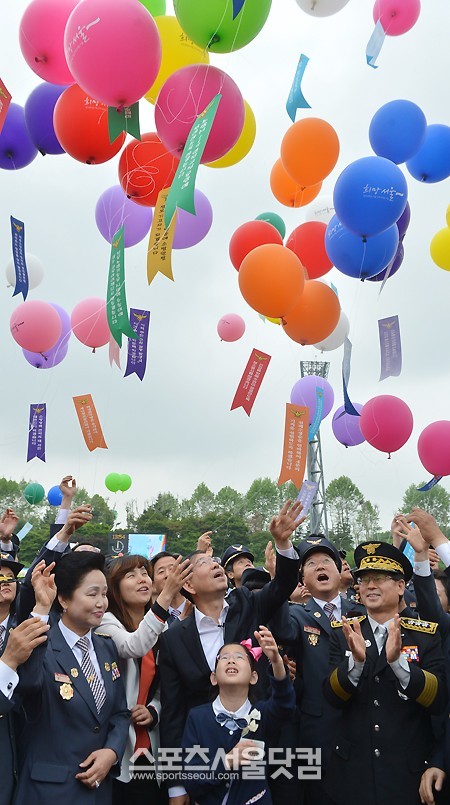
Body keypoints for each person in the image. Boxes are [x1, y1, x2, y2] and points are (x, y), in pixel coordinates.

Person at [159, 499, 303, 805]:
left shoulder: (248, 603)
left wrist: (283, 543)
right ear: (189, 586)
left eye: (215, 562)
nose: (215, 565)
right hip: (207, 766)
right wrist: (176, 786)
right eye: (204, 564)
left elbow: (283, 584)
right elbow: (173, 714)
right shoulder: (173, 640)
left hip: (265, 749)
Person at [323, 541, 447, 805]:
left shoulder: (424, 635)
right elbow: (331, 697)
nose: (370, 586)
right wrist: (356, 664)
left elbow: (438, 700)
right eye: (364, 579)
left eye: (379, 578)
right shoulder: (344, 633)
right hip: (353, 774)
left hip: (406, 773)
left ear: (401, 586)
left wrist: (398, 664)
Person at [14, 552, 129, 804]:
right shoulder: (41, 646)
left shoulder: (106, 646)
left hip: (98, 789)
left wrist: (112, 751)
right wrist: (41, 608)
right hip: (49, 792)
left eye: (104, 594)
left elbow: (120, 712)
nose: (101, 603)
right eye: (92, 594)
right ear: (64, 599)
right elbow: (28, 684)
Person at [277, 535, 364, 805]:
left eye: (327, 560)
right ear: (302, 579)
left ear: (339, 570)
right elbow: (281, 630)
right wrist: (279, 579)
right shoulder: (295, 615)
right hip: (317, 734)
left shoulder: (361, 612)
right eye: (311, 564)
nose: (320, 567)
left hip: (362, 726)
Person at [100, 553, 192, 804]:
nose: (142, 579)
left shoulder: (164, 627)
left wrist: (153, 710)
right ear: (115, 588)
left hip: (151, 743)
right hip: (116, 744)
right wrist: (166, 595)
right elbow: (134, 645)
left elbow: (166, 687)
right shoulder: (106, 622)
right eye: (131, 575)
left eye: (144, 573)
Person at [181, 626, 296, 805]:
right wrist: (227, 761)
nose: (231, 660)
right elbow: (191, 779)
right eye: (224, 657)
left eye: (240, 657)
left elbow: (285, 704)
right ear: (213, 678)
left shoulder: (263, 713)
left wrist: (276, 662)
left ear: (254, 677)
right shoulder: (197, 717)